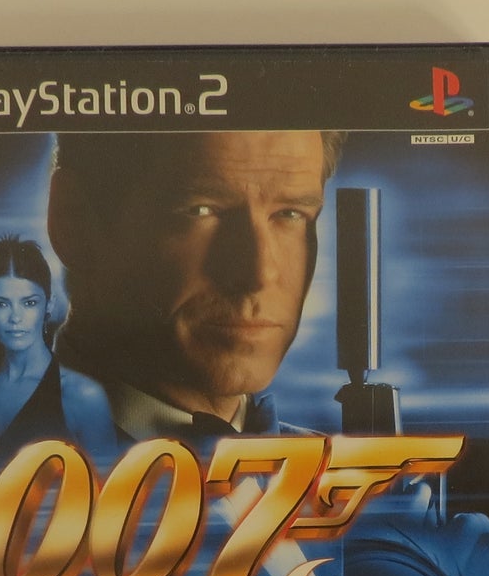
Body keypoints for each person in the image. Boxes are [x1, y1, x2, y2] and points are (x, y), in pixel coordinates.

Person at [45, 129, 345, 444]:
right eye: (200, 210)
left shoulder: (336, 467)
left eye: (290, 214)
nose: (259, 274)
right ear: (72, 223)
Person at [0, 235, 116, 465]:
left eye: (29, 303)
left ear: (49, 304)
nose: (15, 317)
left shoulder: (83, 396)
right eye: (1, 304)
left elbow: (108, 485)